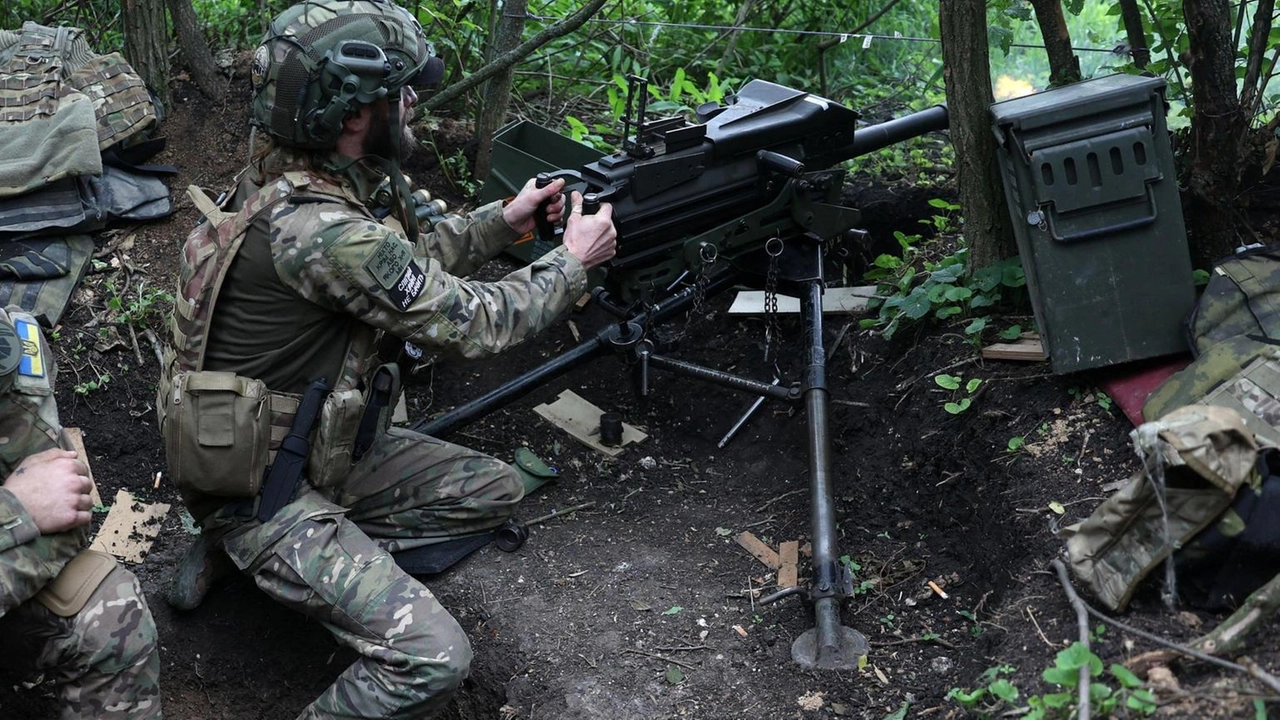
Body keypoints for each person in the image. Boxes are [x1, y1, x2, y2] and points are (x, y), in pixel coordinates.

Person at [156, 0, 617, 717]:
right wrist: (572, 263)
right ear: (348, 116)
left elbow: (407, 262)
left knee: (490, 490)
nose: (413, 106)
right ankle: (246, 545)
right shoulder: (323, 232)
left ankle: (281, 556)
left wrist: (504, 221)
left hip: (291, 451)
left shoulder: (292, 178)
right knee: (432, 658)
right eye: (398, 94)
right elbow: (477, 321)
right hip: (260, 491)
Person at [0, 308, 163, 719]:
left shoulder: (9, 348)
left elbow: (64, 518)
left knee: (108, 611)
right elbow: (34, 514)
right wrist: (15, 510)